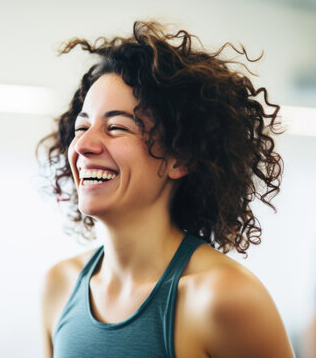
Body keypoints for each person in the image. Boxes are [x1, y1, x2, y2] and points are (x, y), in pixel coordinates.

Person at [38, 21, 294, 357]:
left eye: (116, 127)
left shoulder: (225, 297)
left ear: (180, 159)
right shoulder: (60, 285)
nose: (83, 144)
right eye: (82, 126)